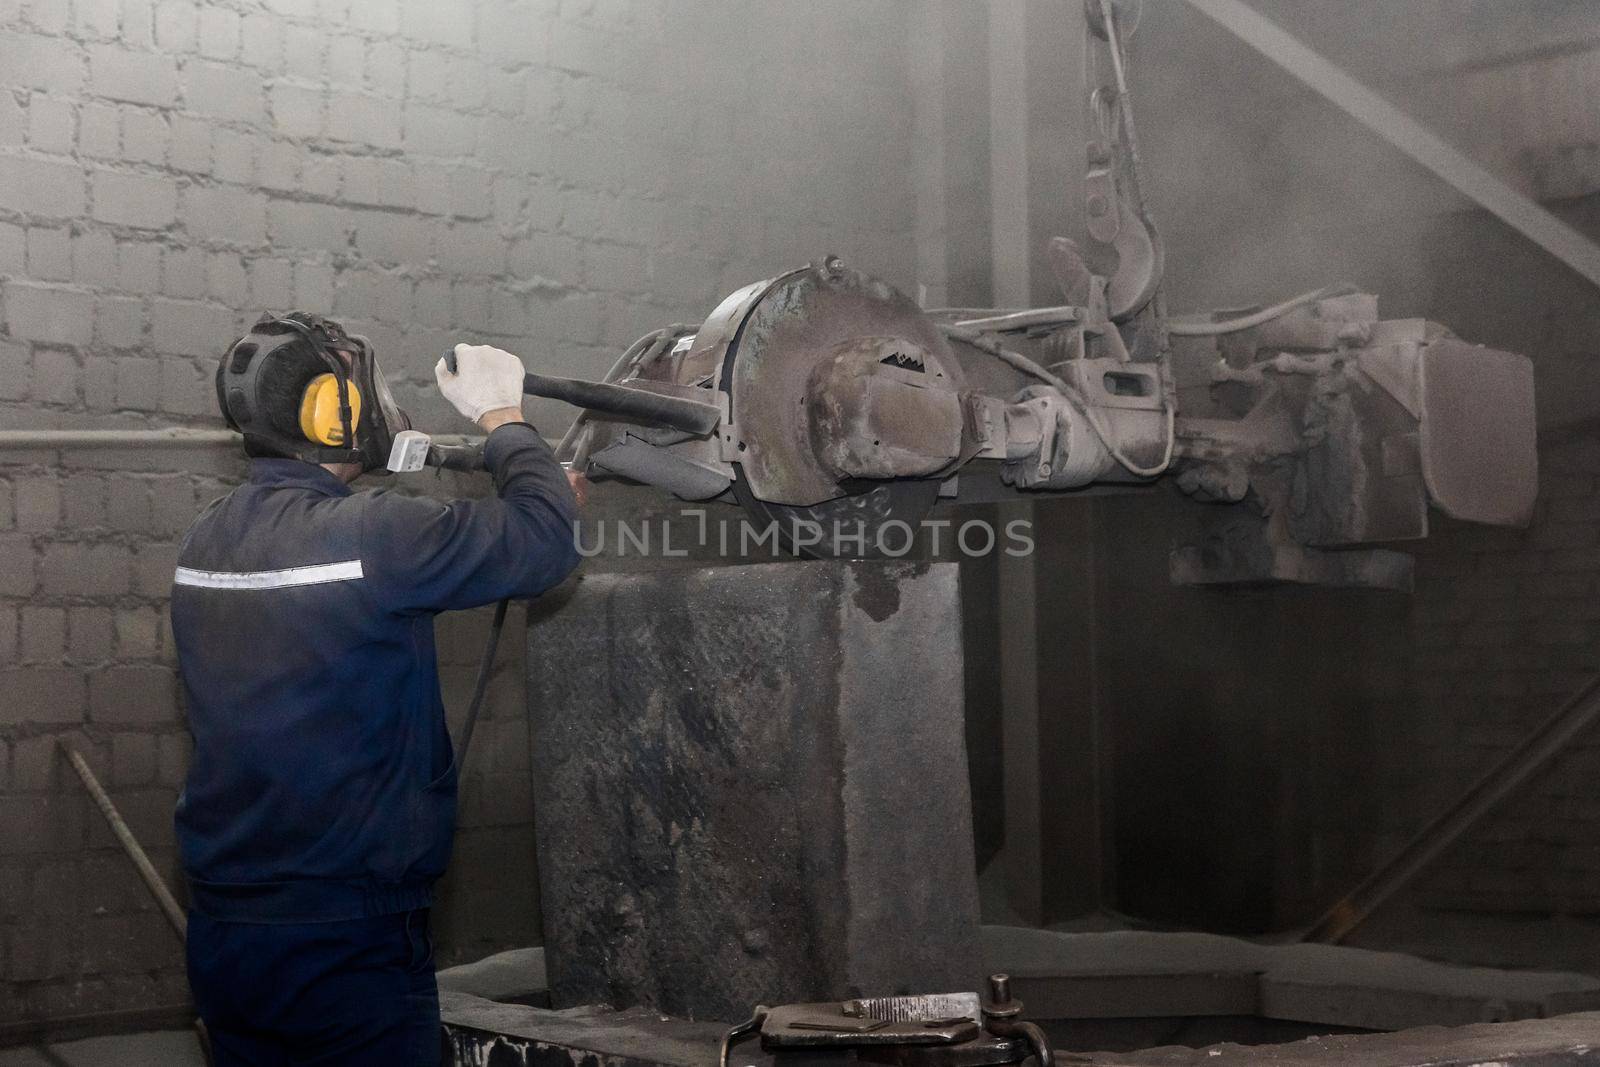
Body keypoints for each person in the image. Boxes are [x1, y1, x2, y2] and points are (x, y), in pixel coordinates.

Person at [170, 312, 581, 1065]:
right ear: (335, 411)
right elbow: (547, 544)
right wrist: (504, 421)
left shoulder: (205, 539)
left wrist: (539, 492)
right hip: (345, 935)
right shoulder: (374, 538)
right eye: (367, 385)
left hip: (227, 925)